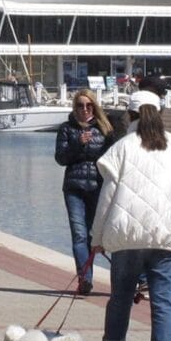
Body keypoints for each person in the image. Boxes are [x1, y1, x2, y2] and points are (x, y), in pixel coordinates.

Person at [90, 91, 171, 341]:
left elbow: (107, 198)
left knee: (120, 298)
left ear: (131, 114)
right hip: (169, 236)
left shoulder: (122, 147)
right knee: (164, 301)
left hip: (127, 236)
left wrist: (96, 237)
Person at [53, 88, 114, 295]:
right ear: (74, 107)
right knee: (79, 234)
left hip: (97, 187)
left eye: (89, 105)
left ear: (95, 107)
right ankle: (85, 278)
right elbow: (61, 158)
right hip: (74, 187)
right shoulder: (67, 129)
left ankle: (133, 277)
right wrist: (78, 144)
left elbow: (113, 157)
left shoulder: (105, 129)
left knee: (94, 235)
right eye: (80, 105)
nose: (84, 109)